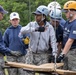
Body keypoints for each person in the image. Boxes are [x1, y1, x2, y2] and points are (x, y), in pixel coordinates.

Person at [19, 5, 57, 75]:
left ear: (44, 16)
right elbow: (22, 30)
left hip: (43, 55)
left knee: (44, 73)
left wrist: (54, 54)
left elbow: (53, 41)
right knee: (27, 73)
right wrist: (35, 29)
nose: (36, 17)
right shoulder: (32, 24)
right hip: (31, 54)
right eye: (35, 15)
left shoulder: (49, 27)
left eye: (38, 15)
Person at [0, 5, 21, 75]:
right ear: (10, 21)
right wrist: (10, 52)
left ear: (19, 20)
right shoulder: (7, 31)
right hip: (10, 57)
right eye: (2, 13)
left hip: (21, 57)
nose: (15, 21)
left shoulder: (23, 29)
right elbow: (2, 45)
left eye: (16, 19)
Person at [56, 1, 76, 71]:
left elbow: (70, 41)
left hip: (73, 52)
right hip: (66, 50)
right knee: (64, 70)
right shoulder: (67, 22)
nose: (65, 13)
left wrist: (62, 54)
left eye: (67, 11)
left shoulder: (75, 24)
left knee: (72, 71)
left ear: (72, 11)